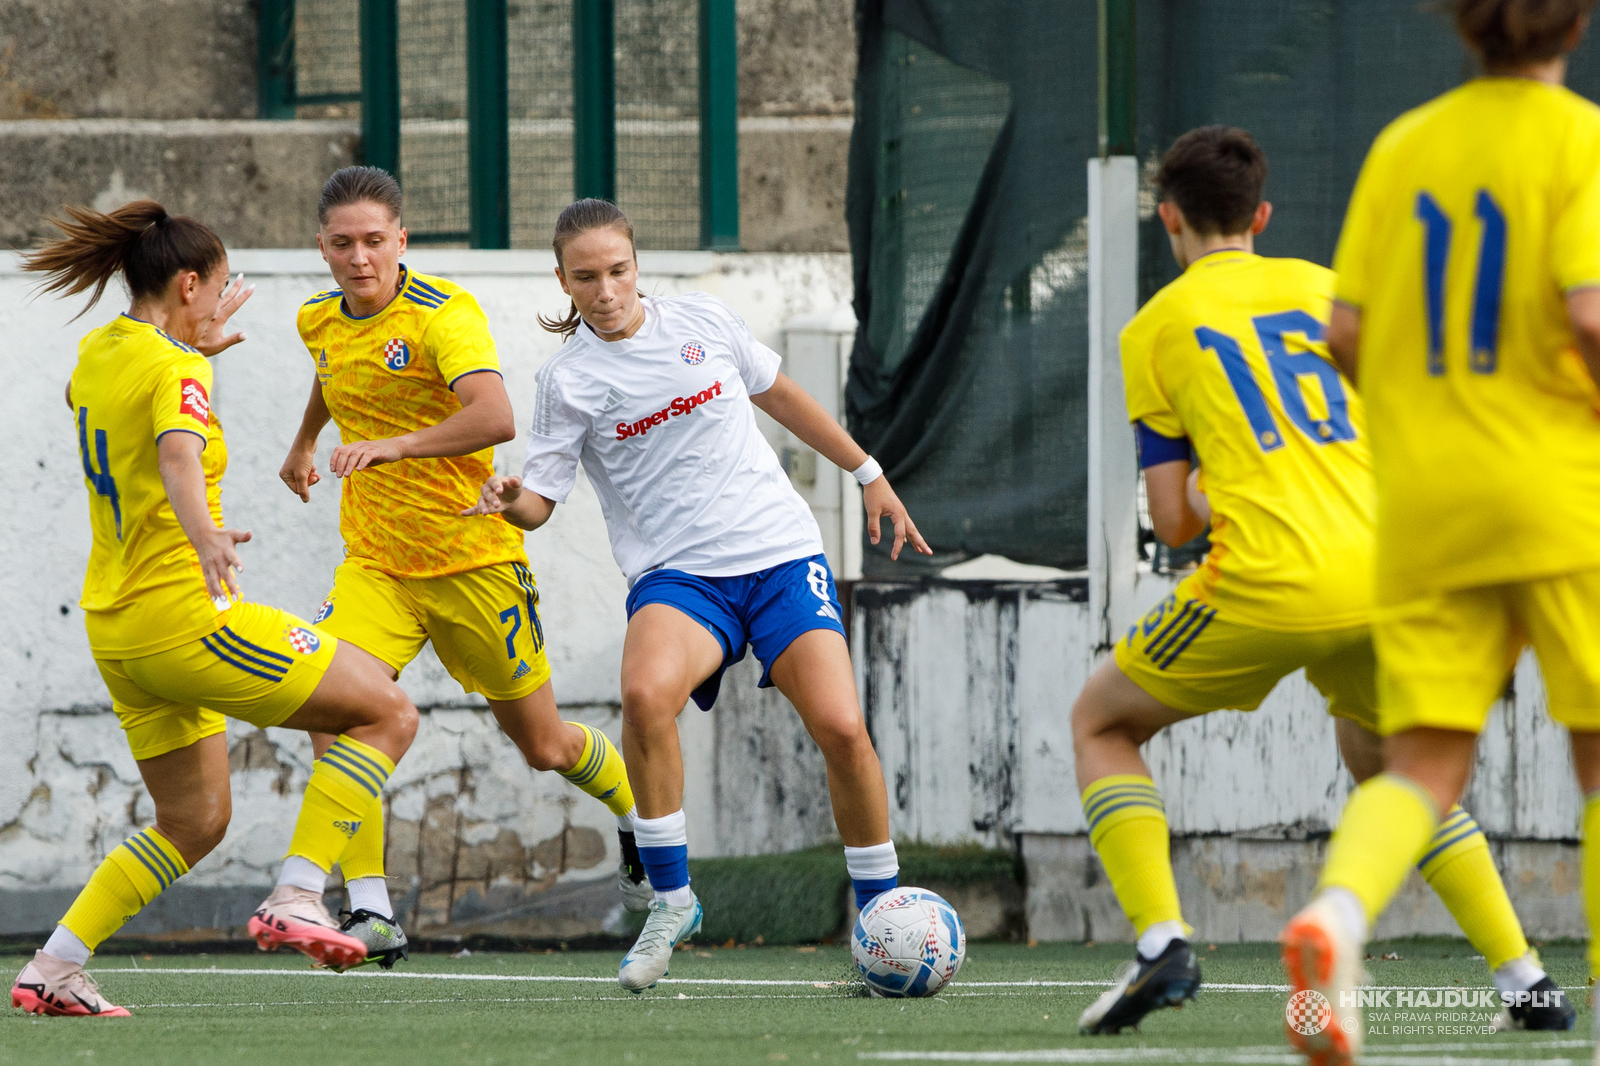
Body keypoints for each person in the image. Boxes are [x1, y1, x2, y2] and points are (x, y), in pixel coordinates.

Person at [1072, 127, 1567, 1037]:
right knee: (1391, 766)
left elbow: (1175, 520)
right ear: (1262, 216)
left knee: (1101, 723)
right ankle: (1526, 981)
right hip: (1393, 572)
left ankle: (1162, 941)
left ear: (1167, 218)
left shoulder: (1151, 331)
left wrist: (1244, 477)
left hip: (1271, 579)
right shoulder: (1332, 292)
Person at [463, 198, 929, 992]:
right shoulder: (567, 380)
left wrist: (869, 474)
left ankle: (882, 916)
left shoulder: (704, 321)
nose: (606, 290)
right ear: (562, 281)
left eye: (618, 271)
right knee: (644, 695)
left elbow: (783, 397)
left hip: (779, 556)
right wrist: (508, 497)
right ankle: (673, 900)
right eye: (586, 277)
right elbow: (539, 503)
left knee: (843, 728)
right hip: (679, 575)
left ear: (637, 265)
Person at [1281, 2, 1600, 1062]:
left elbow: (1346, 331)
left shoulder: (1403, 144)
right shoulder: (1578, 139)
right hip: (1557, 489)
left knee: (1418, 764)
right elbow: (1591, 313)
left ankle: (1336, 919)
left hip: (1421, 503)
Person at [9, 200, 420, 1017]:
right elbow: (176, 454)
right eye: (220, 285)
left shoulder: (101, 350)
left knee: (194, 819)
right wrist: (204, 535)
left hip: (118, 630)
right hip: (187, 614)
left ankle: (52, 968)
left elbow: (119, 412)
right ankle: (301, 893)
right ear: (191, 282)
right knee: (388, 711)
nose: (224, 299)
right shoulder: (180, 371)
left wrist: (183, 342)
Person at [278, 167, 647, 969]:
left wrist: (396, 445)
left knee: (545, 745)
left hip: (474, 561)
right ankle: (370, 910)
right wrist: (307, 440)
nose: (360, 257)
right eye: (343, 243)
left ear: (402, 240)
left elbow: (495, 416)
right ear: (323, 248)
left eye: (375, 240)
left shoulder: (446, 314)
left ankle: (637, 813)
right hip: (377, 564)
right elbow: (335, 371)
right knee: (332, 710)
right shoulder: (317, 317)